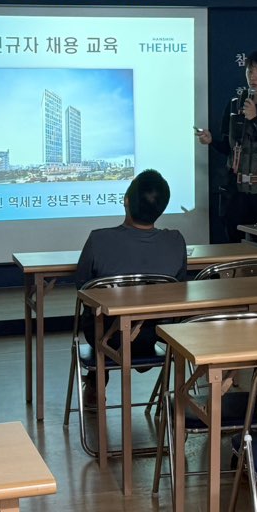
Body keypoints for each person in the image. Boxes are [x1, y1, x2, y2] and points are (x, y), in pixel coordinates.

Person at [75, 169, 187, 400]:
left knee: (96, 312)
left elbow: (83, 288)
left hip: (104, 335)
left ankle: (97, 381)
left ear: (126, 200)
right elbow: (180, 288)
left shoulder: (98, 240)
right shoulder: (176, 241)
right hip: (154, 333)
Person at [196, 50, 257, 242]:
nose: (253, 77)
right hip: (236, 191)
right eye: (250, 71)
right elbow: (228, 149)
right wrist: (211, 141)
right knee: (234, 243)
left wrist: (255, 119)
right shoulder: (234, 105)